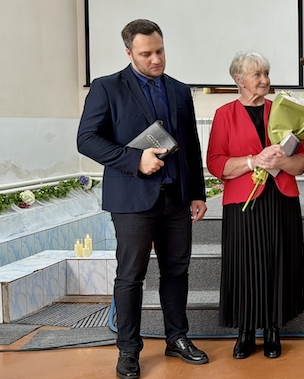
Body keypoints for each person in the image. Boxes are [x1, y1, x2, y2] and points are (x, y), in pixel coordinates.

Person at [77, 19, 209, 379]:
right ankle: (128, 349)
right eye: (146, 53)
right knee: (130, 276)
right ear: (129, 53)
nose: (156, 59)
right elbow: (87, 139)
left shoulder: (179, 90)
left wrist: (197, 192)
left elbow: (190, 145)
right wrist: (135, 160)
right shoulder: (106, 88)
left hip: (176, 199)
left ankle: (177, 338)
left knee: (177, 271)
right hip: (131, 199)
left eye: (160, 51)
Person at [206, 52, 304, 360]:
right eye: (258, 75)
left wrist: (282, 161)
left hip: (280, 198)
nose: (265, 80)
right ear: (239, 79)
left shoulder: (282, 110)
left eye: (266, 73)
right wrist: (254, 161)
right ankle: (246, 331)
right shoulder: (224, 114)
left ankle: (273, 329)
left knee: (279, 263)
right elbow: (216, 164)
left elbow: (301, 162)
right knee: (244, 266)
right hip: (242, 202)